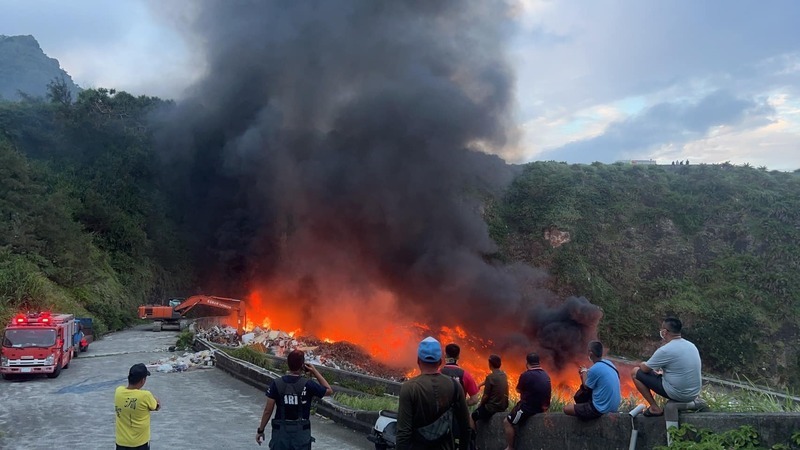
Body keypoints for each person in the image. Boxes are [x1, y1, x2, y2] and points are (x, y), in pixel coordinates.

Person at [396, 336, 471, 450]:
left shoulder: (409, 388)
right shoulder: (455, 386)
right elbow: (465, 427)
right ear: (440, 361)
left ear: (418, 361)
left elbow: (403, 432)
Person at [255, 349, 333, 448]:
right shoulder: (308, 384)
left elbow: (268, 410)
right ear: (302, 366)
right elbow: (329, 390)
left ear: (287, 364)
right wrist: (314, 371)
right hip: (301, 437)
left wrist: (260, 430)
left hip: (281, 436)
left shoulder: (276, 384)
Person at [630, 317, 702, 417]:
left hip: (679, 394)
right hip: (693, 394)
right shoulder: (691, 346)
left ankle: (654, 407)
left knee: (635, 372)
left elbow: (645, 369)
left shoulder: (666, 350)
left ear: (664, 332)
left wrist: (641, 363)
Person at [504, 353, 550, 450]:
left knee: (507, 422)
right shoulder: (546, 374)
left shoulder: (526, 375)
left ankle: (510, 448)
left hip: (529, 408)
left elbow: (518, 390)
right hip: (544, 407)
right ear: (539, 362)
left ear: (527, 363)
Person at [563, 341, 620, 420]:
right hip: (614, 408)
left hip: (600, 409)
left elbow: (586, 386)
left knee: (566, 409)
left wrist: (583, 371)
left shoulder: (595, 368)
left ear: (590, 354)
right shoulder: (610, 364)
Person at [115, 363, 160, 450]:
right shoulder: (145, 395)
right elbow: (156, 407)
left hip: (121, 443)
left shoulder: (118, 391)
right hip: (140, 444)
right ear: (143, 380)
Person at [472, 354, 509, 424]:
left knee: (472, 416)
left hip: (492, 408)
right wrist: (480, 385)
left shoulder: (490, 377)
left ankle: (472, 431)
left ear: (490, 364)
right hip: (503, 406)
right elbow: (493, 380)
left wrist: (480, 405)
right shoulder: (504, 375)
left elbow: (485, 396)